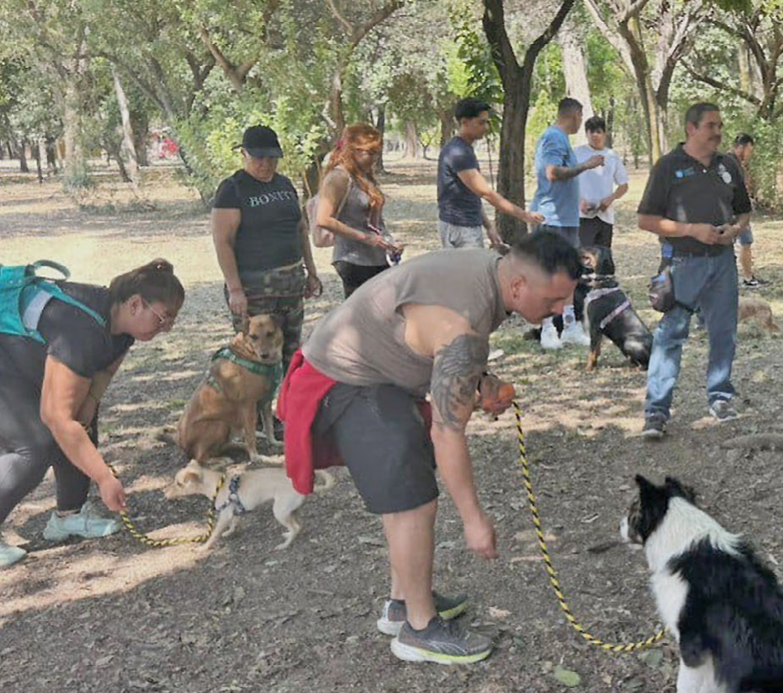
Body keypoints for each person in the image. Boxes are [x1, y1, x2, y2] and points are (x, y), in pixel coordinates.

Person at [283, 234, 582, 664]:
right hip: (346, 379)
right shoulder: (463, 324)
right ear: (518, 287)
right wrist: (474, 520)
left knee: (410, 488)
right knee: (412, 500)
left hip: (375, 371)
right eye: (554, 300)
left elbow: (442, 349)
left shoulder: (490, 271)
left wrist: (481, 382)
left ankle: (403, 602)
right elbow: (448, 432)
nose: (561, 311)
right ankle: (419, 630)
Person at [0, 261, 185, 567]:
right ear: (135, 304)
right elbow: (56, 417)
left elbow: (101, 373)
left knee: (79, 415)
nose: (166, 329)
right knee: (35, 444)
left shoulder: (119, 325)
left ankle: (69, 515)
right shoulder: (83, 331)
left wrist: (89, 404)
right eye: (163, 319)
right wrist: (104, 478)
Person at [637, 102, 752, 439]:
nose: (718, 132)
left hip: (723, 264)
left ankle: (720, 397)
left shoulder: (727, 164)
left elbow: (744, 211)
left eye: (720, 126)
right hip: (682, 262)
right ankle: (656, 413)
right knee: (670, 335)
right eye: (711, 126)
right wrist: (693, 230)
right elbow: (645, 220)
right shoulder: (668, 167)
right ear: (691, 128)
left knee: (723, 332)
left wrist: (735, 229)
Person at [212, 125, 323, 443]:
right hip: (253, 287)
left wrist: (311, 271)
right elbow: (223, 241)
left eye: (272, 158)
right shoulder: (233, 189)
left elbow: (301, 229)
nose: (266, 164)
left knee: (291, 352)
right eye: (259, 157)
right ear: (244, 154)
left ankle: (287, 412)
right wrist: (235, 289)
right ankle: (253, 420)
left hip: (290, 281)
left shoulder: (285, 184)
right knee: (254, 356)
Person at [533, 98, 605, 349]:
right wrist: (586, 165)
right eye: (581, 116)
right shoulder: (553, 137)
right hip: (551, 217)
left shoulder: (561, 139)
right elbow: (551, 173)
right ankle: (547, 328)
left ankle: (570, 325)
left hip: (566, 218)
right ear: (575, 114)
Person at [438, 98, 544, 251]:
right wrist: (524, 215)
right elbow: (485, 193)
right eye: (481, 122)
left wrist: (489, 227)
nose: (486, 127)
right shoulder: (458, 152)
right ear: (464, 122)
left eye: (487, 122)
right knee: (471, 274)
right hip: (460, 227)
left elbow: (472, 195)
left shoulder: (464, 149)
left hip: (466, 224)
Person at [316, 124, 402, 297]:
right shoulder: (338, 177)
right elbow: (323, 219)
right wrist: (365, 238)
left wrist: (390, 242)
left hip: (376, 257)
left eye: (376, 153)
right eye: (369, 153)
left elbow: (375, 221)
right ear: (352, 150)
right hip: (353, 260)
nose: (373, 159)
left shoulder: (364, 176)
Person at [574, 116, 630, 249]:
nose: (595, 135)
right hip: (582, 217)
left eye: (598, 131)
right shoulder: (576, 154)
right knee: (584, 260)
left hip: (605, 216)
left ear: (604, 134)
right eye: (591, 132)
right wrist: (579, 200)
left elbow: (623, 185)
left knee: (603, 260)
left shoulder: (612, 156)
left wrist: (611, 198)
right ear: (586, 134)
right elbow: (566, 182)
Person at [730, 133, 765, 288]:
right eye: (749, 150)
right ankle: (746, 278)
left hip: (739, 210)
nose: (750, 154)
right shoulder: (729, 163)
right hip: (734, 212)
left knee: (746, 242)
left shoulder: (737, 163)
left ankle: (748, 276)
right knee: (742, 243)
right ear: (742, 147)